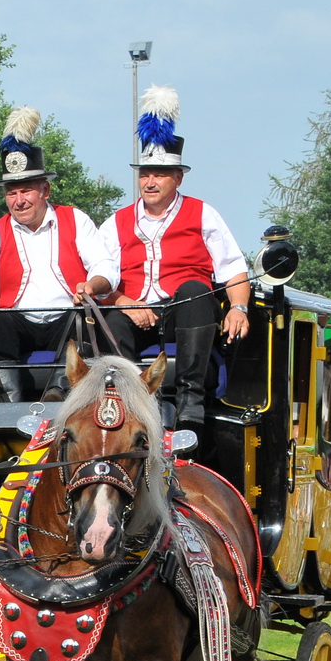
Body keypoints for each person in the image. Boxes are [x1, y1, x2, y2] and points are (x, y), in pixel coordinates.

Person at [101, 86, 251, 449]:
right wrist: (126, 302)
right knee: (113, 318)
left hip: (185, 314)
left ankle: (190, 406)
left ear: (178, 178)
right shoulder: (115, 222)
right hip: (136, 313)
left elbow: (233, 268)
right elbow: (101, 279)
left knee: (196, 290)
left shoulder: (203, 214)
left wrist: (239, 307)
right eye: (145, 174)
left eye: (160, 174)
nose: (150, 181)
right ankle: (128, 407)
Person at [0, 106, 117, 402]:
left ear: (45, 191)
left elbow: (105, 266)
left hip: (65, 321)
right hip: (16, 326)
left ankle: (57, 392)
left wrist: (92, 286)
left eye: (26, 191)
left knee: (80, 318)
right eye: (11, 193)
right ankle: (8, 402)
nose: (18, 201)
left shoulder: (75, 220)